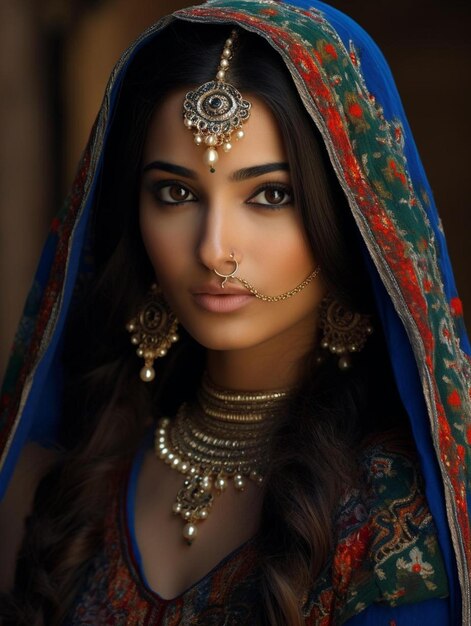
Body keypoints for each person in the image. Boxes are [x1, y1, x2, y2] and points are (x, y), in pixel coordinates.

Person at [0, 1, 469, 624]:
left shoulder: (390, 517)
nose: (212, 247)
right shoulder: (88, 473)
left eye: (269, 195)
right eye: (176, 193)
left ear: (349, 217)